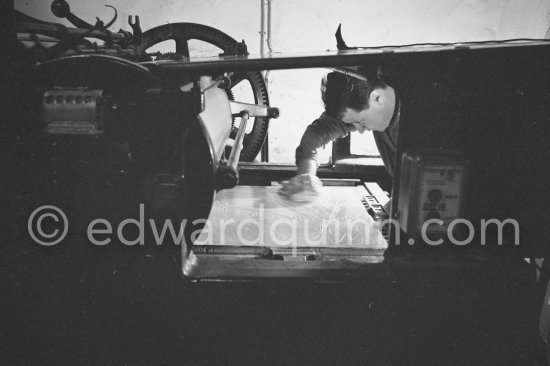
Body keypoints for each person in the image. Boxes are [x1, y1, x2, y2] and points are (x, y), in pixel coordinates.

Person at [278, 66, 400, 202]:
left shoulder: (419, 119)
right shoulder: (362, 106)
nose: (359, 130)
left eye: (361, 121)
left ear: (377, 98)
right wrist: (307, 175)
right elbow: (320, 131)